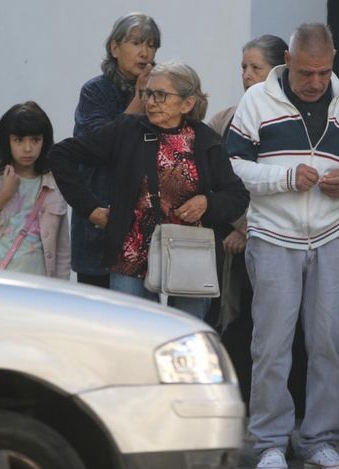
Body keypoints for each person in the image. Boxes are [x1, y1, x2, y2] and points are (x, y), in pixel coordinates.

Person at [228, 23, 339, 469]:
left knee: (330, 342)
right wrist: (286, 178)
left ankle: (319, 441)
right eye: (306, 72)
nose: (315, 82)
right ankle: (270, 444)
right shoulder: (256, 102)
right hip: (273, 236)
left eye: (324, 73)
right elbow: (234, 165)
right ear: (287, 62)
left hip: (332, 236)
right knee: (271, 344)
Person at [49, 61, 249, 319]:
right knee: (132, 336)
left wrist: (207, 203)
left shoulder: (207, 141)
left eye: (161, 95)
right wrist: (90, 209)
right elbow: (61, 155)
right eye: (147, 93)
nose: (151, 101)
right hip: (131, 255)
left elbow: (237, 196)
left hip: (189, 255)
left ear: (187, 104)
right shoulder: (128, 131)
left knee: (185, 336)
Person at [207, 34, 297, 408]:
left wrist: (248, 226)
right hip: (227, 238)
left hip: (275, 237)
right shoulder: (226, 118)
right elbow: (209, 178)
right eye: (243, 67)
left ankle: (279, 414)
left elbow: (287, 182)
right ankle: (236, 407)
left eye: (255, 68)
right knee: (232, 323)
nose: (246, 75)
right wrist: (233, 224)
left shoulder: (291, 122)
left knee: (274, 329)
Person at [71, 12, 160, 289]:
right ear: (114, 47)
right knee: (97, 318)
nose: (144, 52)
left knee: (142, 315)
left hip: (143, 226)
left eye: (151, 45)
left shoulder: (160, 92)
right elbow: (98, 146)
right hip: (101, 220)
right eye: (136, 43)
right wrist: (138, 102)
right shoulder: (95, 92)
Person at [0, 101, 70, 279]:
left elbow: (62, 249)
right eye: (18, 140)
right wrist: (3, 197)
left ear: (45, 141)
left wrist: (61, 293)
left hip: (38, 285)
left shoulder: (54, 182)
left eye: (35, 140)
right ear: (7, 141)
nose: (27, 148)